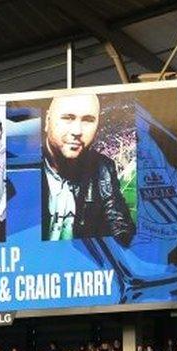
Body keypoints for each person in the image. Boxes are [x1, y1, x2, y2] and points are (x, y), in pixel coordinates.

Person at [41, 93, 135, 246]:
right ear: (47, 120)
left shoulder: (103, 168)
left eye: (88, 120)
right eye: (68, 118)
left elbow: (120, 226)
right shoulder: (23, 168)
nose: (77, 131)